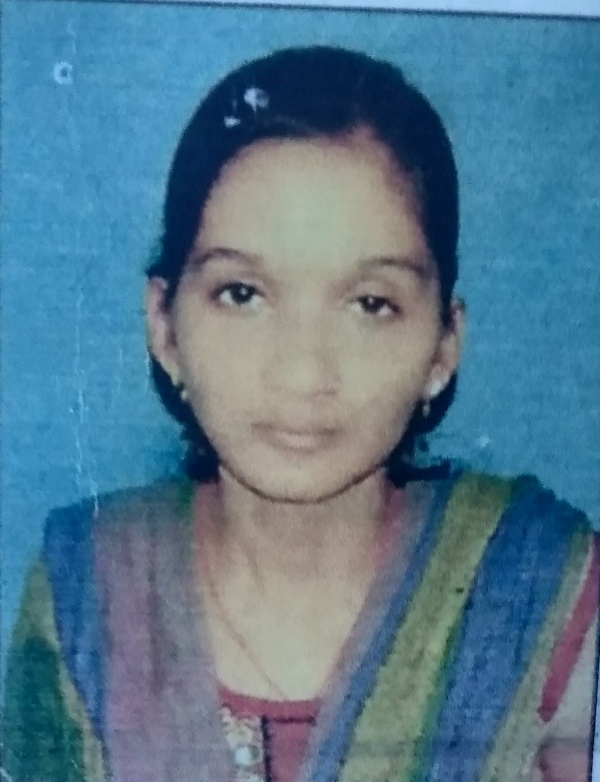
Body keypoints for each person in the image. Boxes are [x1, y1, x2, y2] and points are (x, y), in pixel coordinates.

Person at [2, 46, 598, 782]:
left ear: (443, 345)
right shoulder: (82, 591)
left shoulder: (550, 593)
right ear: (163, 323)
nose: (303, 373)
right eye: (242, 294)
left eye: (370, 304)